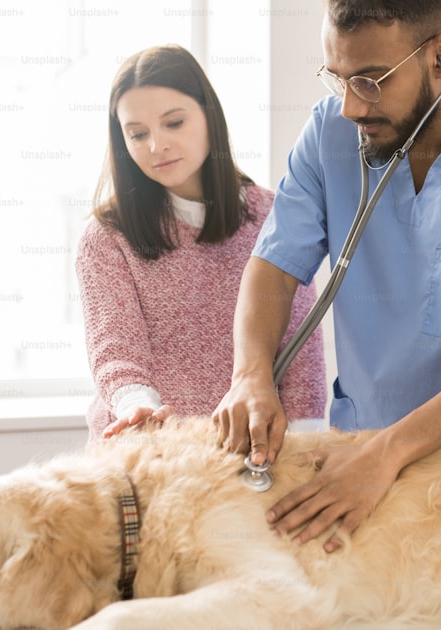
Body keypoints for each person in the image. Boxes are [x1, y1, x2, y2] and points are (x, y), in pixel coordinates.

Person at [214, 0, 441, 553]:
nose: (348, 107)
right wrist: (250, 375)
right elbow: (273, 265)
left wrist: (388, 453)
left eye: (369, 81)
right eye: (335, 79)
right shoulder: (329, 136)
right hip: (358, 451)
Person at [76, 45, 326, 442]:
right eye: (137, 134)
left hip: (251, 452)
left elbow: (300, 345)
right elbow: (116, 350)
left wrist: (307, 436)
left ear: (209, 115)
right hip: (148, 451)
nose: (156, 145)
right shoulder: (106, 236)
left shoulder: (273, 215)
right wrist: (136, 405)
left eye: (173, 123)